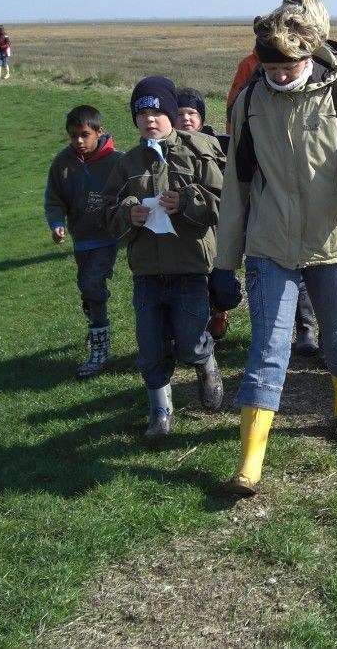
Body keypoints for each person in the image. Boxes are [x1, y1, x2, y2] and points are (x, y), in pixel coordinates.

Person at [217, 0, 337, 496]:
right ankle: (250, 462)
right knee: (268, 347)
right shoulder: (249, 102)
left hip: (331, 242)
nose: (281, 75)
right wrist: (227, 254)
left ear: (309, 56)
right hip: (270, 244)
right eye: (272, 67)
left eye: (290, 66)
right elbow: (237, 182)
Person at [100, 76, 225, 437]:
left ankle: (205, 361)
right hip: (147, 272)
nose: (150, 119)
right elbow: (107, 212)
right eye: (142, 113)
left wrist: (186, 201)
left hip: (189, 266)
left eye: (157, 111)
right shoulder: (127, 163)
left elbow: (225, 203)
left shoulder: (198, 151)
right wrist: (128, 213)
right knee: (151, 346)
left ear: (171, 113)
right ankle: (160, 413)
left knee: (189, 340)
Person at [44, 105, 124, 378]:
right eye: (73, 136)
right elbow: (54, 199)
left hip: (108, 237)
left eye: (84, 135)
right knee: (87, 289)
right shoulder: (63, 163)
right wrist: (57, 224)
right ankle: (95, 318)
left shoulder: (117, 162)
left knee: (93, 284)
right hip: (82, 239)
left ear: (99, 132)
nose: (78, 141)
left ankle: (100, 350)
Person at [175, 87, 234, 342]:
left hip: (218, 229)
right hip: (184, 234)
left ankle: (220, 308)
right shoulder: (167, 148)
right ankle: (195, 334)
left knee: (222, 285)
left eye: (192, 113)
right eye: (179, 114)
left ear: (201, 118)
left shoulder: (216, 145)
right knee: (192, 285)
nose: (186, 119)